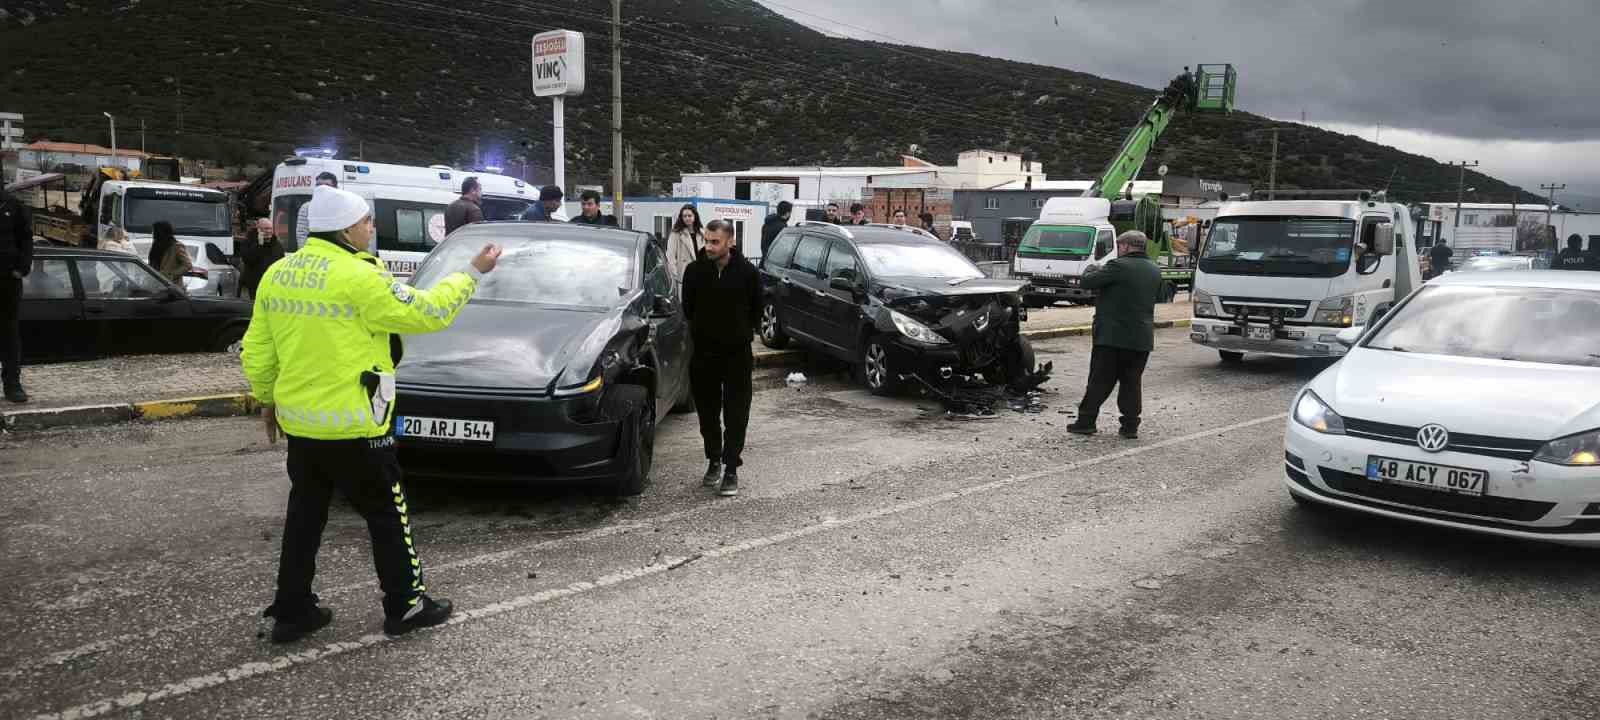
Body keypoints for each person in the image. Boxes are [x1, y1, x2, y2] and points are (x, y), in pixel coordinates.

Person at [242, 184, 502, 643]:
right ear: (345, 229)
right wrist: (473, 272)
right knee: (389, 513)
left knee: (305, 517)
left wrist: (268, 399)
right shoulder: (359, 277)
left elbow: (259, 350)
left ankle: (292, 608)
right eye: (366, 222)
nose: (371, 228)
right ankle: (405, 604)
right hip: (355, 425)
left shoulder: (278, 274)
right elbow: (428, 312)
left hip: (302, 424)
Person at [681, 219, 761, 498]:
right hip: (703, 353)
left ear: (731, 242)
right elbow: (687, 308)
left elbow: (757, 310)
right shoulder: (694, 272)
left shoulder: (748, 273)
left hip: (737, 354)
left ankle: (730, 468)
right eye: (706, 240)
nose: (709, 246)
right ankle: (714, 459)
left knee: (737, 412)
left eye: (715, 241)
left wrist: (739, 332)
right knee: (707, 413)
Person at [1067, 231, 1162, 440]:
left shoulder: (1118, 266)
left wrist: (1092, 268)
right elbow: (1160, 296)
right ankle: (1130, 427)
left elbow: (1088, 282)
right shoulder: (1155, 269)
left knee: (1100, 381)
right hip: (1141, 338)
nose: (1119, 250)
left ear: (1126, 246)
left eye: (1119, 246)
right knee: (1132, 382)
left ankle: (1086, 422)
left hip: (1112, 337)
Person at [0, 186, 32, 403]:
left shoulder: (13, 205)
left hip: (7, 281)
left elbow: (27, 239)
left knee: (9, 334)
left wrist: (21, 268)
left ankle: (13, 385)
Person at [239, 217, 287, 300]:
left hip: (272, 285)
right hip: (254, 286)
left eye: (270, 229)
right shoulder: (249, 242)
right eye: (266, 229)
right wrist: (259, 244)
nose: (269, 231)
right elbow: (248, 259)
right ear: (258, 230)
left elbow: (282, 264)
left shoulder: (277, 245)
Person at [148, 221, 193, 286]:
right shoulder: (156, 245)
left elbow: (187, 265)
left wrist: (171, 275)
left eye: (154, 231)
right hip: (156, 285)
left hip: (172, 287)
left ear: (160, 232)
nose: (152, 233)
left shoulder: (176, 246)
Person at [667, 203, 703, 281]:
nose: (687, 218)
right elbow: (670, 256)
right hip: (683, 275)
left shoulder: (701, 233)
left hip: (700, 274)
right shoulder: (675, 234)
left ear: (695, 216)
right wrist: (675, 274)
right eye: (684, 216)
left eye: (689, 216)